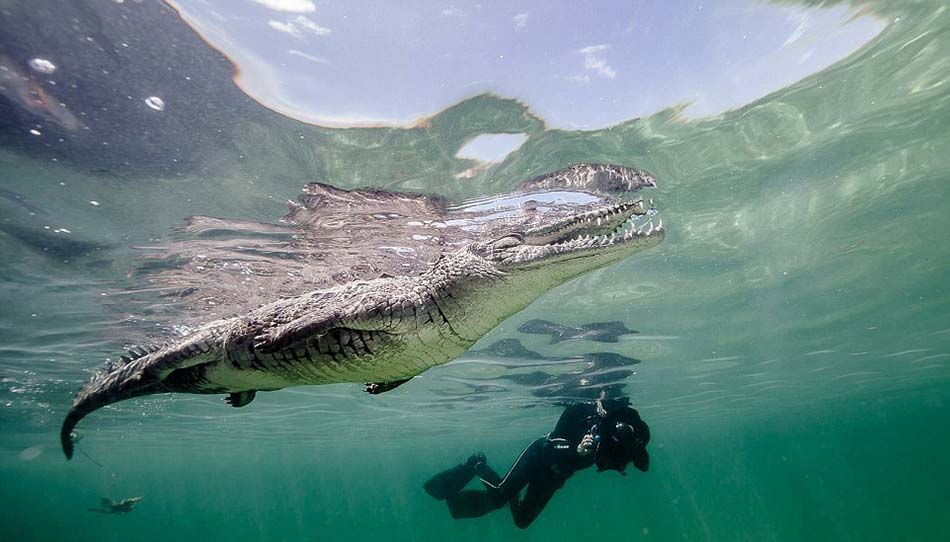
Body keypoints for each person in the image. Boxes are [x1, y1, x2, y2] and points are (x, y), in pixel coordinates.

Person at [423, 394, 650, 528]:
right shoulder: (588, 424)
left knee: (521, 521)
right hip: (539, 455)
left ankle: (503, 496)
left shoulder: (618, 444)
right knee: (500, 493)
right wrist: (577, 449)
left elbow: (640, 460)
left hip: (554, 476)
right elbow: (553, 442)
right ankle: (476, 463)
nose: (610, 467)